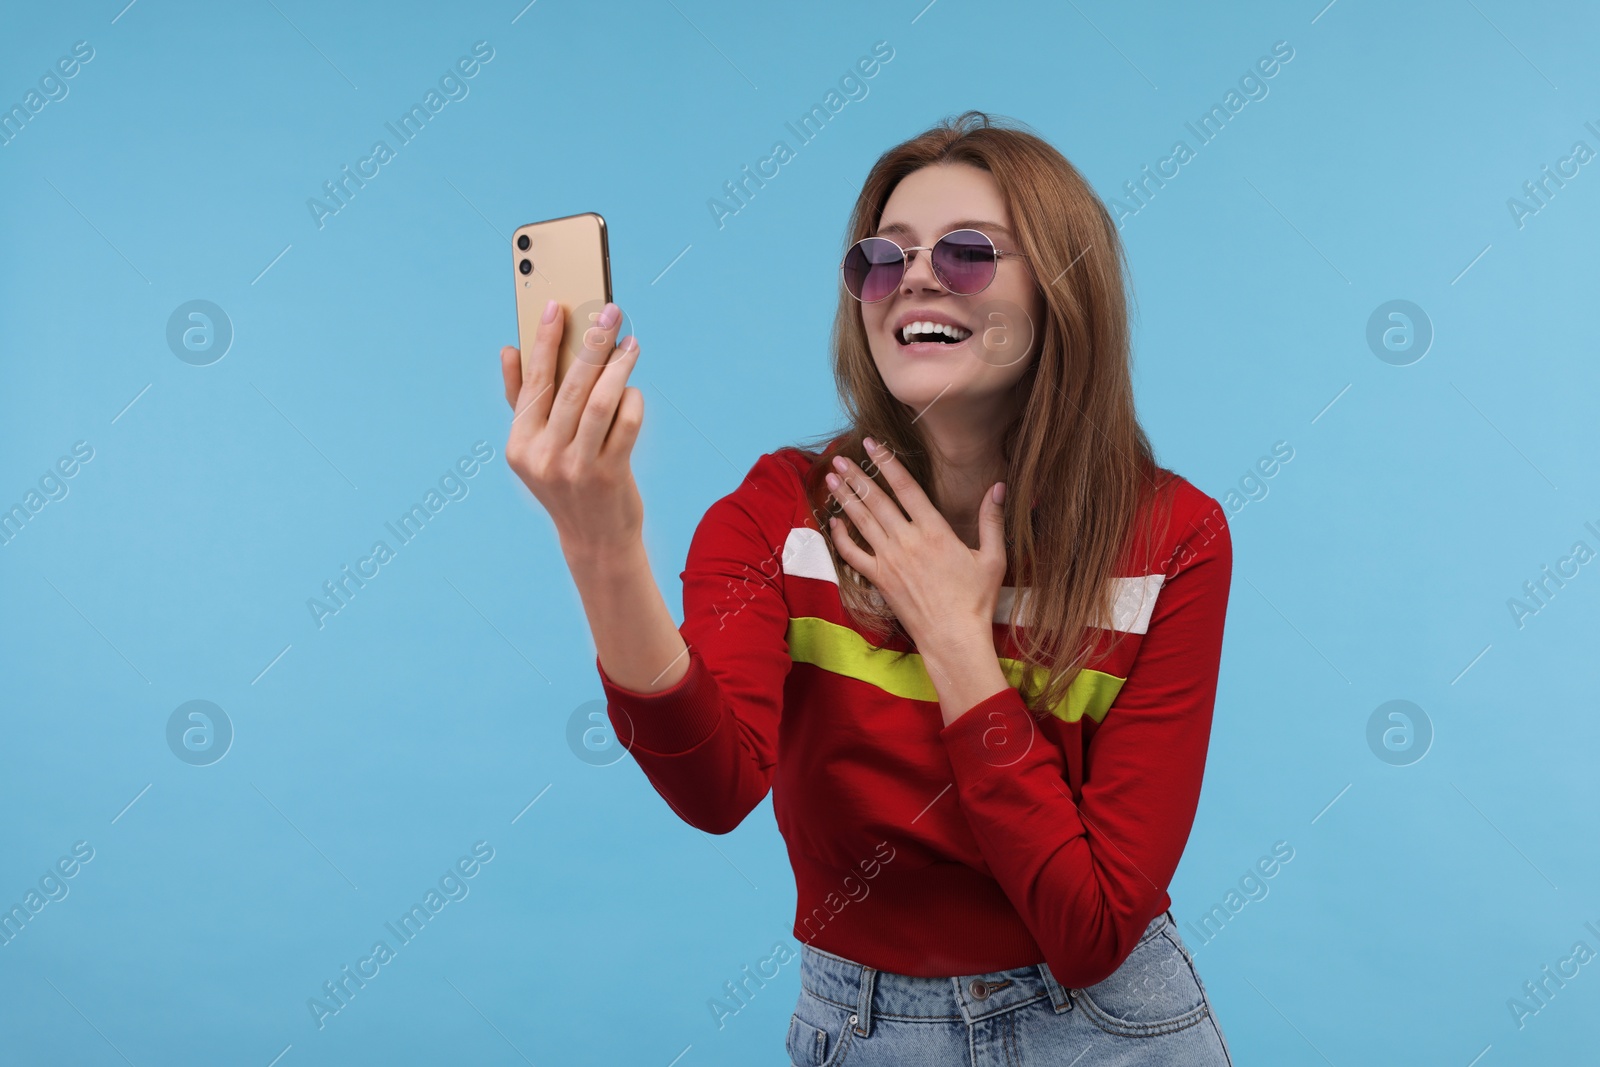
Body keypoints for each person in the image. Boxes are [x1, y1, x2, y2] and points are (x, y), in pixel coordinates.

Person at [499, 110, 1235, 1066]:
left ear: (1062, 293)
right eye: (881, 259)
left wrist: (957, 641)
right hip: (870, 1031)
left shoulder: (1173, 539)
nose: (915, 276)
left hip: (1108, 1030)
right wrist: (602, 545)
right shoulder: (779, 515)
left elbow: (1091, 928)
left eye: (970, 252)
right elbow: (713, 786)